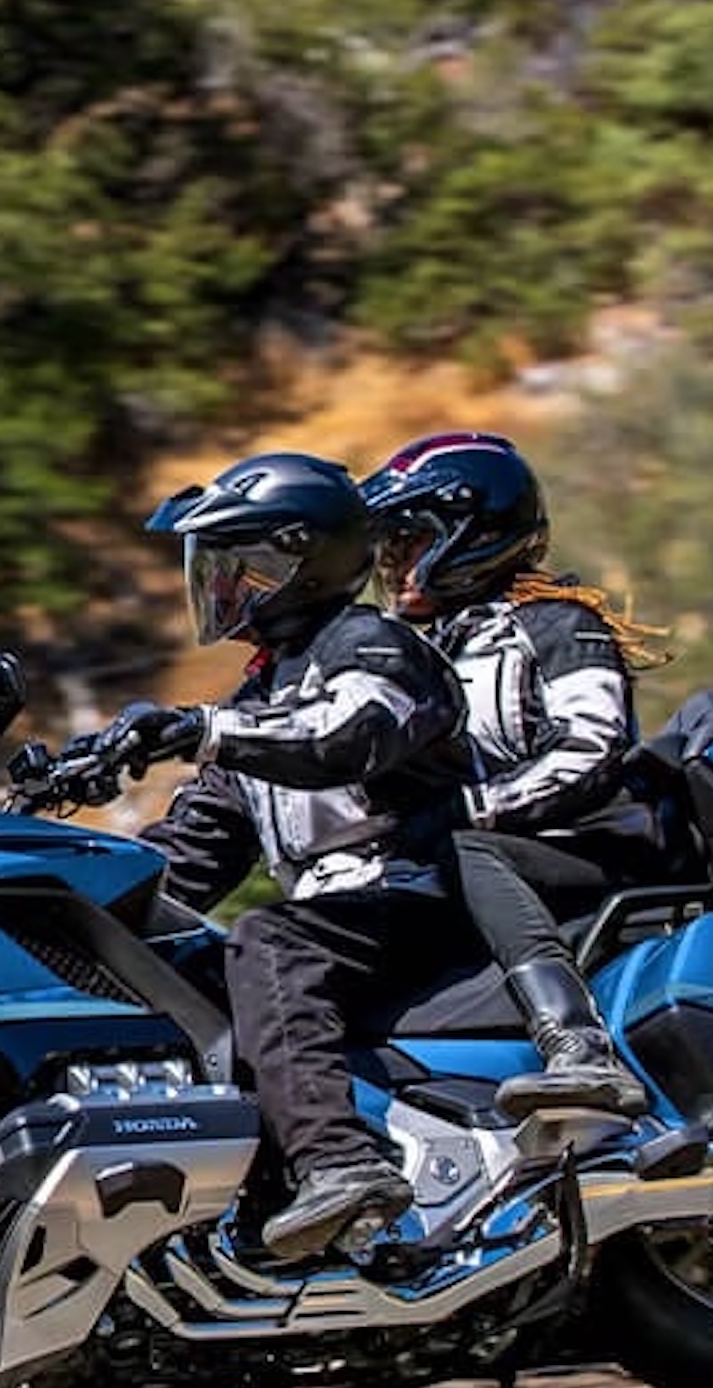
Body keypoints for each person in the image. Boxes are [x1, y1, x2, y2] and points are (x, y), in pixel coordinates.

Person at [83, 450, 476, 1260]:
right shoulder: (261, 695)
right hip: (346, 919)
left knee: (265, 940)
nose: (221, 587)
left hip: (423, 895)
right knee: (169, 966)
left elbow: (346, 736)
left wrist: (205, 731)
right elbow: (186, 856)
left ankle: (342, 1164)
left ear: (303, 558)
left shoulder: (376, 644)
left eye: (241, 565)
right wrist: (66, 890)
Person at [360, 430, 667, 1120]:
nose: (394, 563)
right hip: (497, 855)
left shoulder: (557, 623)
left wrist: (473, 808)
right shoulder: (418, 648)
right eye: (389, 548)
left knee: (463, 848)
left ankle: (580, 1047)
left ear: (474, 535)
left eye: (409, 542)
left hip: (594, 845)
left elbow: (593, 748)